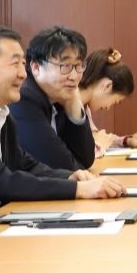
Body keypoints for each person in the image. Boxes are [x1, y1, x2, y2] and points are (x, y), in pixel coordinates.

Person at [0, 26, 126, 205]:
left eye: (22, 63)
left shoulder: (2, 112)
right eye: (15, 64)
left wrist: (70, 177)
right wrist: (77, 189)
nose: (22, 73)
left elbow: (23, 164)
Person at [10, 26, 97, 172]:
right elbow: (63, 166)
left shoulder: (59, 98)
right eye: (65, 66)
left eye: (78, 66)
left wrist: (74, 104)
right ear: (36, 67)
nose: (74, 76)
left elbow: (86, 159)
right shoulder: (24, 99)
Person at [78, 47, 137, 158]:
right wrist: (99, 146)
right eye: (114, 102)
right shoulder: (67, 106)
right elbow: (71, 154)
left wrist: (127, 141)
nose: (108, 107)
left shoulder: (84, 107)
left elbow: (96, 138)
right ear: (107, 86)